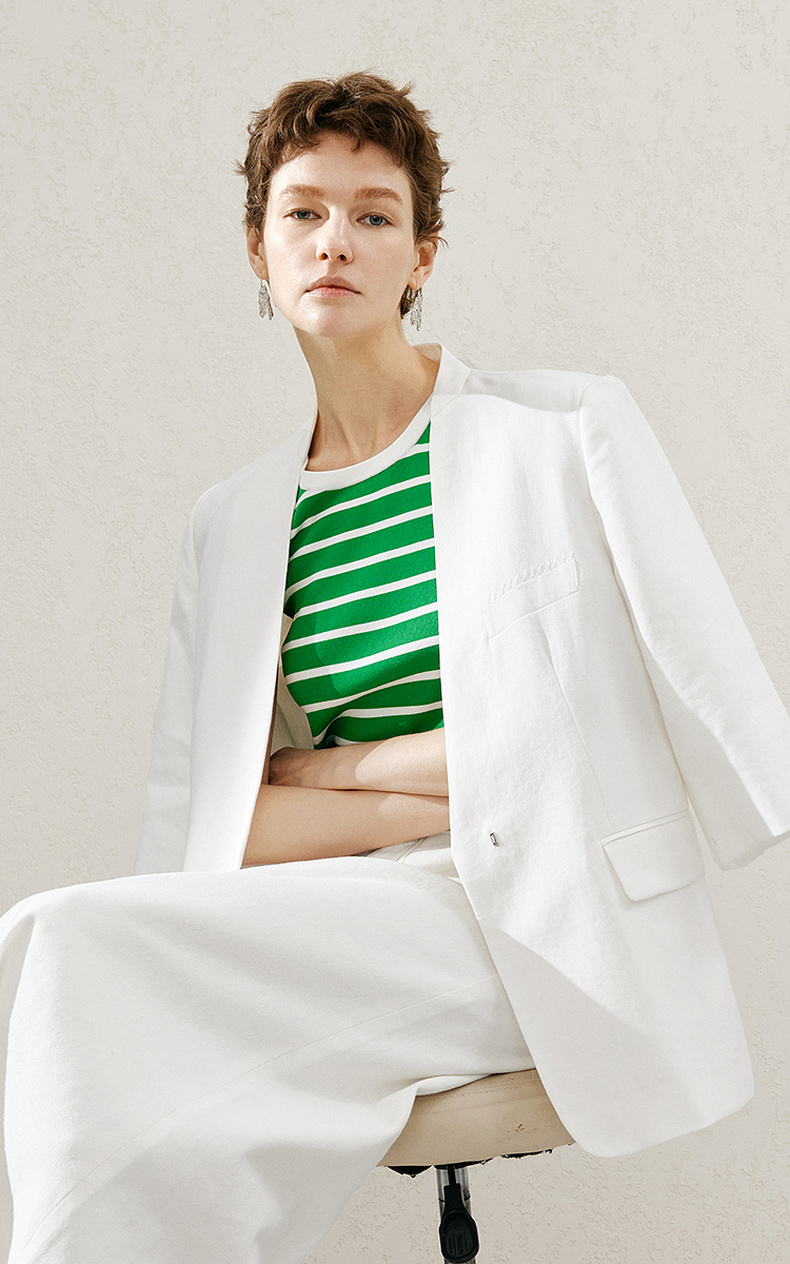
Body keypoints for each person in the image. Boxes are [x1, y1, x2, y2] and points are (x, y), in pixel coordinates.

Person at [1, 70, 789, 1264]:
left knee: (85, 983)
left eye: (373, 215)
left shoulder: (559, 431)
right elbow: (227, 823)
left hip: (543, 921)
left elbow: (632, 731)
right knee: (54, 944)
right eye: (303, 211)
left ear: (421, 255)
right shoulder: (234, 520)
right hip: (354, 907)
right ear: (258, 249)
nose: (336, 240)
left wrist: (337, 770)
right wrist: (470, 776)